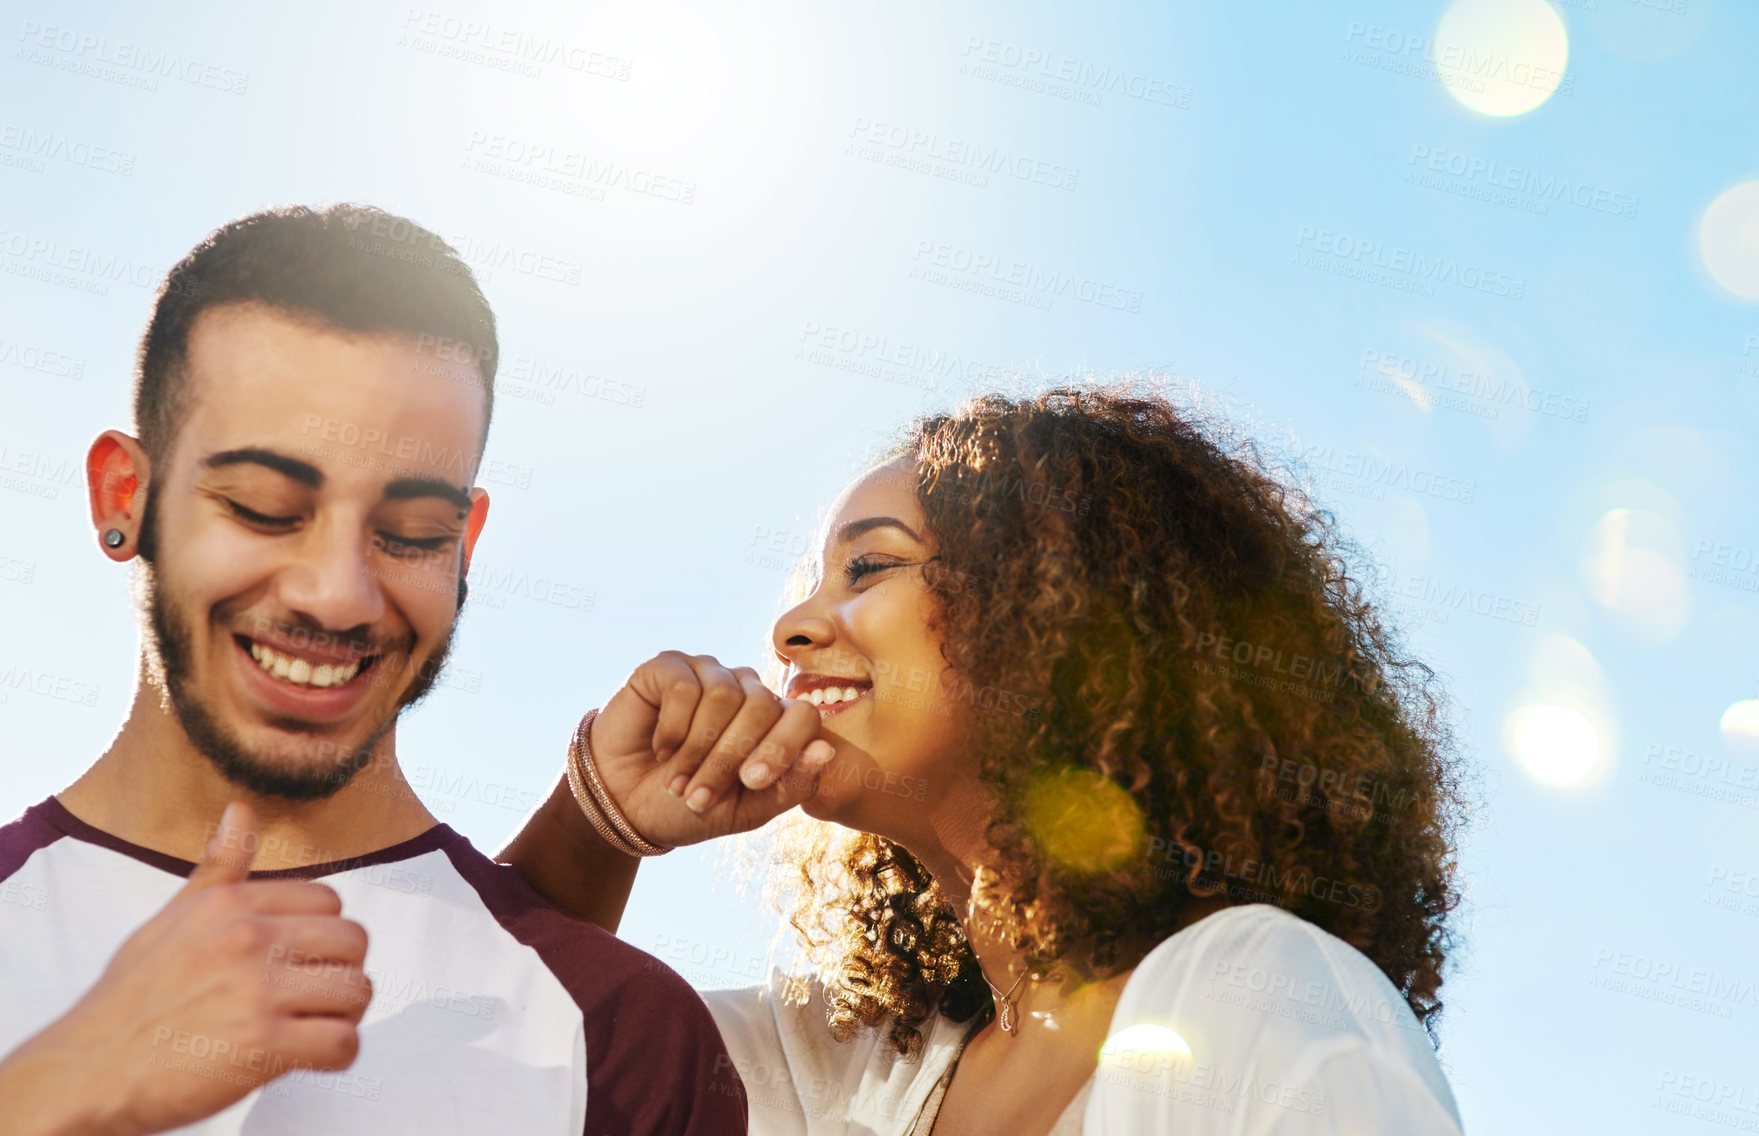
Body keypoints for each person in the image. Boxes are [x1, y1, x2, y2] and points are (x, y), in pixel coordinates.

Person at [498, 389, 1469, 1134]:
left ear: (1061, 621)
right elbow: (469, 1069)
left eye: (868, 566)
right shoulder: (839, 1067)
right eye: (812, 582)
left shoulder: (1257, 986)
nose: (789, 627)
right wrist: (596, 822)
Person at [0, 205, 747, 1136]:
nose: (339, 594)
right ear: (125, 498)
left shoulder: (615, 1034)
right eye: (264, 507)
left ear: (465, 547)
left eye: (412, 534)